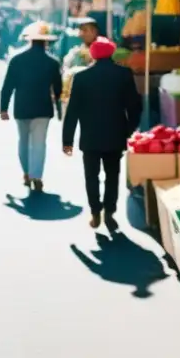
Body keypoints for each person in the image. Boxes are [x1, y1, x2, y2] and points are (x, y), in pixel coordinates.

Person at [62, 37, 141, 231]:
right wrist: (128, 130)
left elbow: (72, 111)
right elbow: (135, 107)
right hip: (116, 134)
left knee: (91, 175)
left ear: (93, 54)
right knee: (113, 175)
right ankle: (110, 211)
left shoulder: (81, 77)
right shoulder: (123, 74)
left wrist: (67, 140)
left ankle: (95, 211)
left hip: (90, 136)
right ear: (112, 52)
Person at [0, 22, 63, 191]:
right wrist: (59, 108)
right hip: (43, 107)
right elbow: (58, 88)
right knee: (39, 143)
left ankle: (26, 173)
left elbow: (8, 85)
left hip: (22, 106)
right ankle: (37, 176)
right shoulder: (52, 62)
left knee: (23, 141)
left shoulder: (17, 59)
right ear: (46, 42)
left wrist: (3, 108)